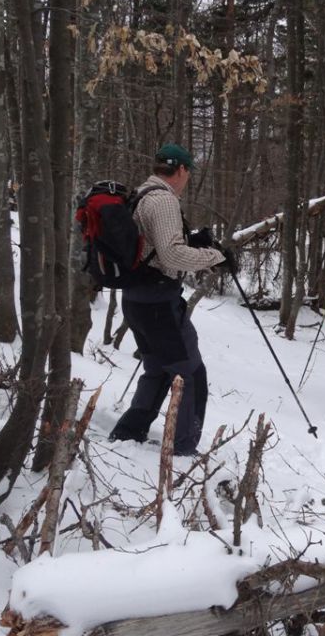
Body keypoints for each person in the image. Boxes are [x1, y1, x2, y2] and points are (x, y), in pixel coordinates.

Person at [109, 143, 236, 457]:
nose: (188, 177)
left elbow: (152, 245)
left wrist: (193, 241)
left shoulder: (140, 195)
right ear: (180, 170)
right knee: (191, 374)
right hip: (158, 303)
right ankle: (182, 450)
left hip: (137, 300)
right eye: (188, 172)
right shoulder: (164, 200)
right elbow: (170, 254)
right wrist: (215, 256)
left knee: (158, 370)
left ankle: (129, 432)